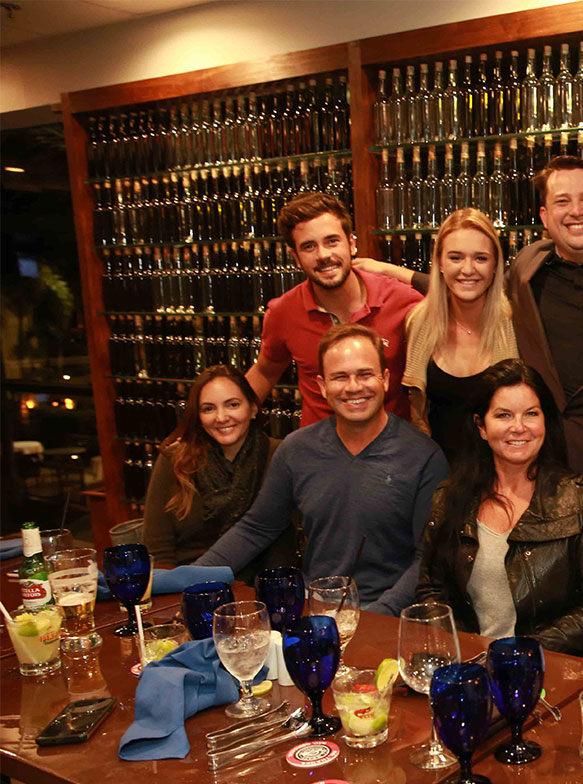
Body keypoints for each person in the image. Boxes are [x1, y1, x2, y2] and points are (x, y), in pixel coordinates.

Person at [359, 157, 583, 476]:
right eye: (562, 201)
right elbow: (466, 285)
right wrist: (390, 271)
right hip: (538, 462)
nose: (576, 211)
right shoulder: (531, 266)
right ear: (544, 216)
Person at [197, 324, 447, 615]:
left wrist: (377, 617)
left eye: (365, 374)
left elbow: (427, 560)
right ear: (322, 386)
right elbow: (256, 529)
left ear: (386, 380)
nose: (353, 387)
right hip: (314, 608)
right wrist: (190, 579)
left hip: (389, 614)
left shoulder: (424, 457)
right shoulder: (296, 450)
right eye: (340, 377)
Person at [415, 360, 583, 658]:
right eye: (504, 415)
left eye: (531, 413)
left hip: (551, 666)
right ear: (481, 426)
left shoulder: (581, 499)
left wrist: (521, 655)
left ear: (546, 421)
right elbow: (431, 592)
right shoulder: (449, 499)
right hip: (469, 666)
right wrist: (466, 653)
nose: (519, 427)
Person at [247, 192, 422, 425]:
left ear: (351, 244)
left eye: (332, 241)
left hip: (391, 442)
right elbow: (265, 372)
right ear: (295, 257)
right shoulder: (283, 312)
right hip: (318, 445)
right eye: (309, 246)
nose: (323, 255)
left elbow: (455, 298)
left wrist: (394, 271)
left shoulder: (402, 301)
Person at [142, 365, 294, 570]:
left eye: (232, 405)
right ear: (198, 416)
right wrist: (175, 586)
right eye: (208, 409)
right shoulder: (174, 459)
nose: (221, 417)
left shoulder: (280, 455)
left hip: (260, 582)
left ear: (253, 408)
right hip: (187, 579)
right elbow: (157, 550)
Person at [402, 208, 519, 463]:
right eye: (455, 257)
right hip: (436, 472)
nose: (468, 269)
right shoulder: (418, 324)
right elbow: (416, 415)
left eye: (480, 258)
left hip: (502, 471)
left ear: (495, 265)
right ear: (440, 263)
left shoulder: (514, 324)